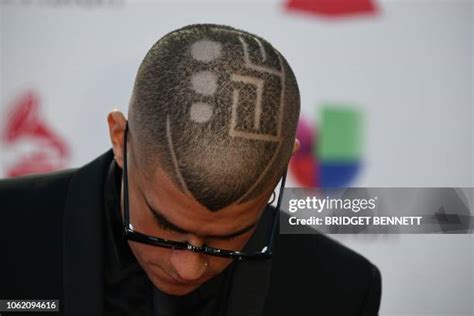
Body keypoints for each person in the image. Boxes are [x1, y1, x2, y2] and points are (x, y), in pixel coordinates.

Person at [0, 24, 381, 316]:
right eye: (165, 229)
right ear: (120, 139)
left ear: (283, 168)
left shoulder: (340, 289)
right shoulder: (8, 230)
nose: (188, 268)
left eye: (227, 238)